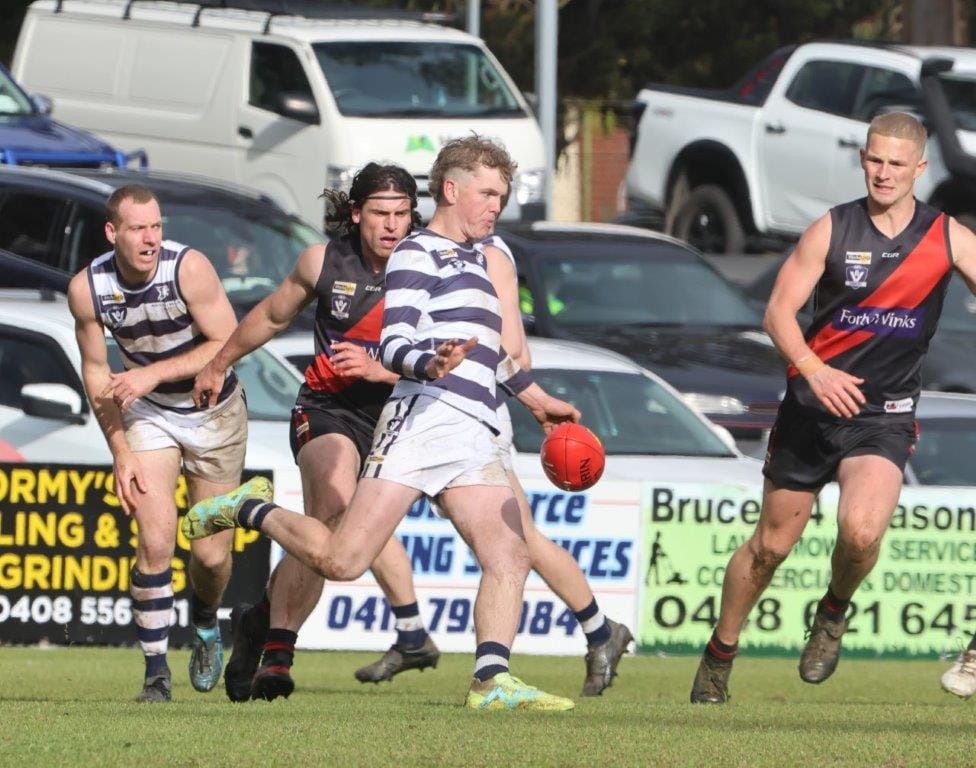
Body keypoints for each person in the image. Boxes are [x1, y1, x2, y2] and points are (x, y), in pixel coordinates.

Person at [184, 136, 583, 710]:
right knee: (343, 559)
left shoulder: (477, 258)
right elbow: (394, 342)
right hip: (419, 423)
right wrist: (428, 362)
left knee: (509, 552)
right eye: (489, 192)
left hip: (471, 430)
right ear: (452, 189)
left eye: (503, 193)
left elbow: (491, 351)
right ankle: (247, 508)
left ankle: (490, 681)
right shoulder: (418, 254)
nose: (499, 205)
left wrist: (535, 398)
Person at [690, 111, 976, 704]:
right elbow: (777, 313)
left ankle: (832, 613)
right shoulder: (832, 228)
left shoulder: (948, 236)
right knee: (770, 547)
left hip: (883, 415)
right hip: (809, 410)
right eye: (875, 159)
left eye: (897, 163)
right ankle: (720, 653)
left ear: (920, 168)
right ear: (863, 159)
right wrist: (815, 372)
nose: (884, 172)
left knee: (862, 531)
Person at [192, 163, 441, 702]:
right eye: (380, 213)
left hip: (399, 416)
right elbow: (273, 317)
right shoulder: (324, 261)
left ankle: (259, 623)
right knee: (333, 508)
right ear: (355, 213)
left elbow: (449, 350)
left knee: (342, 541)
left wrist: (385, 368)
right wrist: (217, 363)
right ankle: (279, 657)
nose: (392, 225)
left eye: (402, 214)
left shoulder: (430, 265)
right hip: (328, 409)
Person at [66, 184, 254, 702]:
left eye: (157, 226)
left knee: (211, 557)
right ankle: (155, 674)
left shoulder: (187, 269)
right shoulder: (87, 288)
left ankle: (205, 621)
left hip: (212, 412)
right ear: (112, 233)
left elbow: (227, 341)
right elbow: (97, 372)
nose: (151, 238)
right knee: (153, 541)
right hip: (149, 417)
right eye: (139, 228)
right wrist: (121, 452)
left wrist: (150, 375)